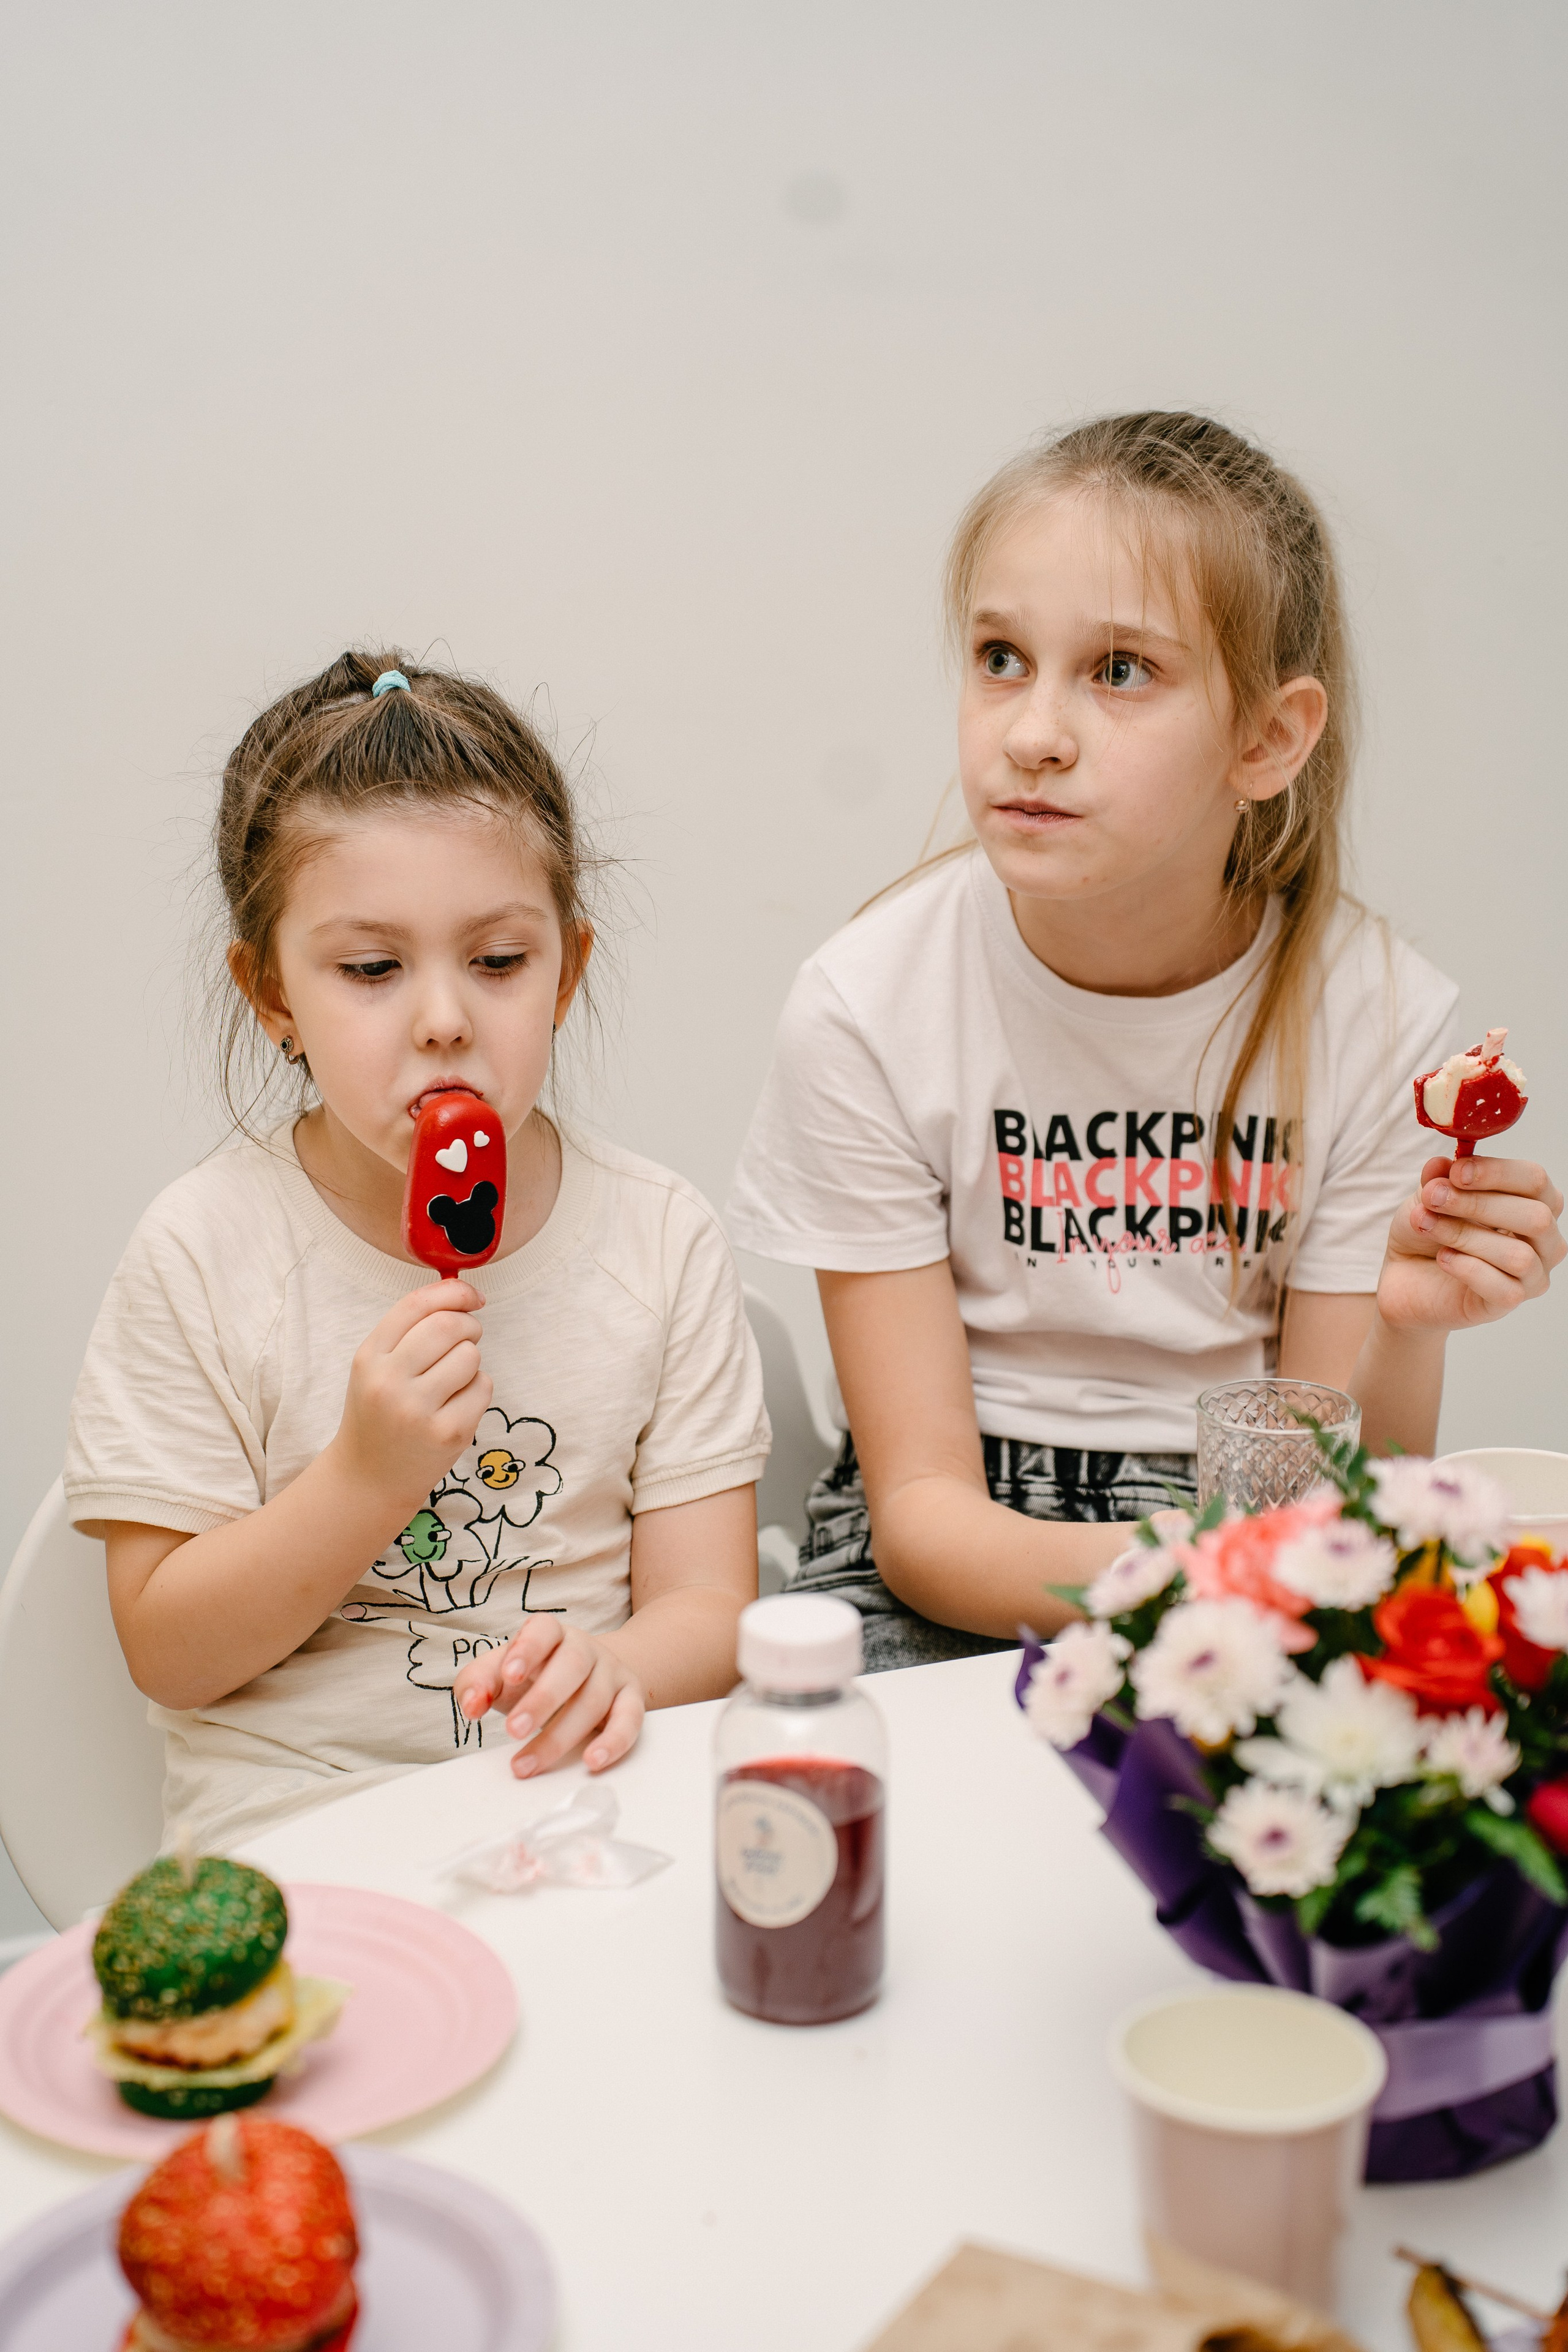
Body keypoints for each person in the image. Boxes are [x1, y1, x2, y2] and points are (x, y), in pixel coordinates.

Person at [728, 412, 1564, 1672]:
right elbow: (921, 1525)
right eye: (999, 657)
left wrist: (1406, 1326)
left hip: (1259, 1531)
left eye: (1119, 670)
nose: (1032, 731)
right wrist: (1217, 1576)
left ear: (1267, 738)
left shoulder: (1377, 1021)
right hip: (964, 1558)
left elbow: (1353, 1494)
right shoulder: (867, 1004)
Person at [66, 651, 769, 1849]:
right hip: (301, 1828)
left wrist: (614, 1667)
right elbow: (167, 1654)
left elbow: (706, 1605)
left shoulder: (656, 1239)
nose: (444, 1017)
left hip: (578, 1807)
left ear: (565, 973)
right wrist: (363, 1477)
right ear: (272, 995)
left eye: (497, 961)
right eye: (372, 969)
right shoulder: (205, 1252)